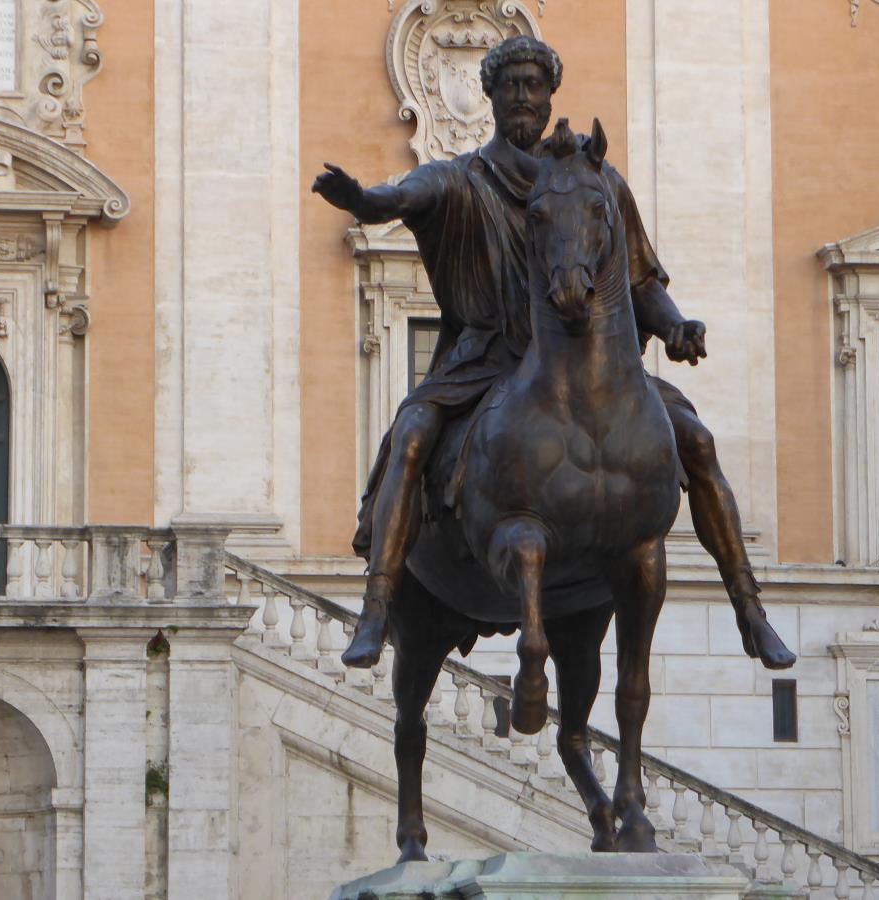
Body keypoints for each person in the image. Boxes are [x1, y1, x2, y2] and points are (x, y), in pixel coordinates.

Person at [313, 35, 795, 671]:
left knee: (696, 443)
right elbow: (399, 197)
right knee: (410, 432)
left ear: (549, 98)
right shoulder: (461, 179)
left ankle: (748, 605)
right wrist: (360, 201)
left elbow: (640, 281)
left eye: (532, 85)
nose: (521, 96)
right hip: (485, 363)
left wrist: (676, 327)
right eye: (509, 84)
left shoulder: (597, 182)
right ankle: (377, 605)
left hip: (590, 368)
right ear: (489, 95)